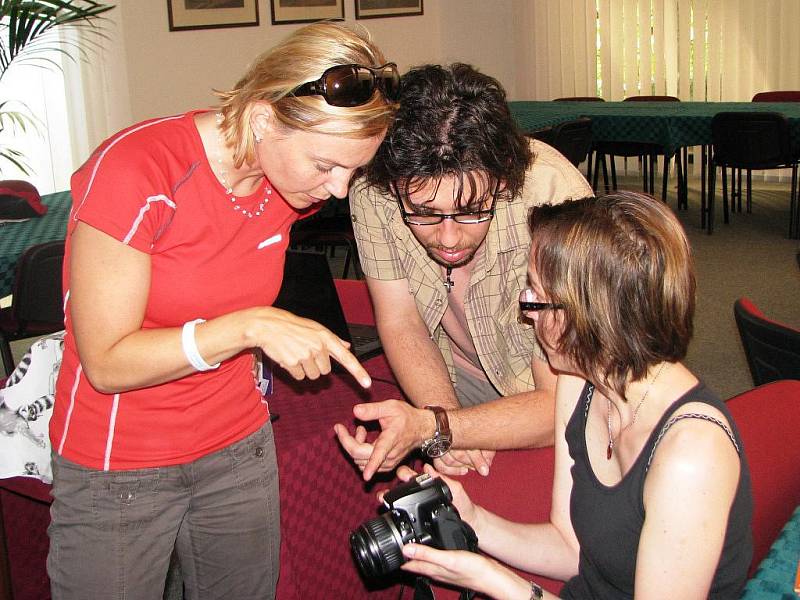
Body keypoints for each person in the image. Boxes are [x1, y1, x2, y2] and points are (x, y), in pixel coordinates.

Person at [46, 23, 398, 599]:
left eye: (353, 171)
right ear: (262, 117)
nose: (337, 190)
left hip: (238, 446)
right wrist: (248, 326)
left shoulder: (284, 185)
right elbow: (105, 362)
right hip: (121, 463)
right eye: (326, 165)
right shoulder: (141, 171)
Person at [390, 191, 753, 599]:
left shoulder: (691, 453)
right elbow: (571, 550)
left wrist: (496, 582)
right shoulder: (579, 385)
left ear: (586, 316)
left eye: (536, 295)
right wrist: (474, 520)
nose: (525, 309)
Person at [334, 64, 592, 480]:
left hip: (550, 390)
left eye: (472, 211)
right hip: (453, 376)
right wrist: (445, 423)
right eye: (424, 213)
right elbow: (402, 320)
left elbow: (563, 401)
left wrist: (439, 428)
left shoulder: (555, 198)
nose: (449, 238)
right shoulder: (375, 189)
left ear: (504, 180)